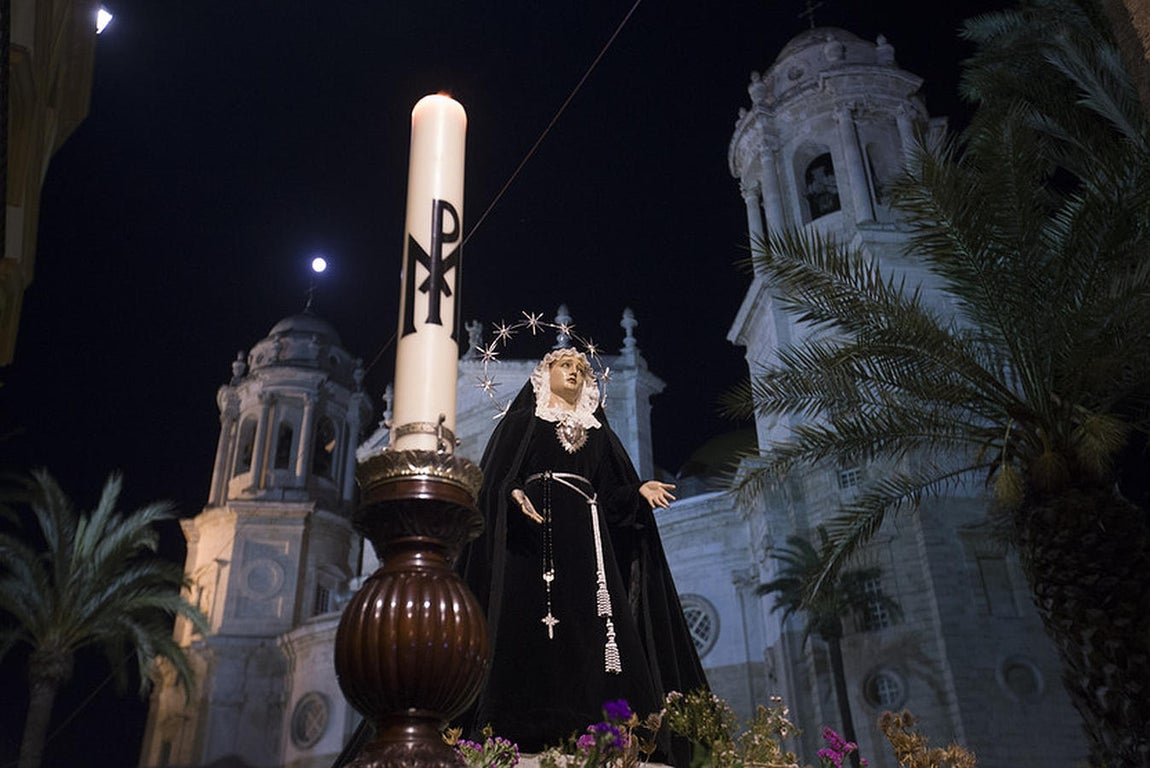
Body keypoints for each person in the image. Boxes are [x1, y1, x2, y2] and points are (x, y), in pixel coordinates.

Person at [460, 348, 708, 758]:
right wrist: (514, 493)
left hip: (589, 549)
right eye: (565, 366)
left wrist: (637, 491)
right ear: (545, 373)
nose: (574, 371)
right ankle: (518, 727)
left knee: (594, 629)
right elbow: (501, 479)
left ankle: (602, 730)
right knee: (532, 625)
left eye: (580, 368)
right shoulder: (524, 423)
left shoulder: (599, 434)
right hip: (533, 541)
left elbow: (610, 494)